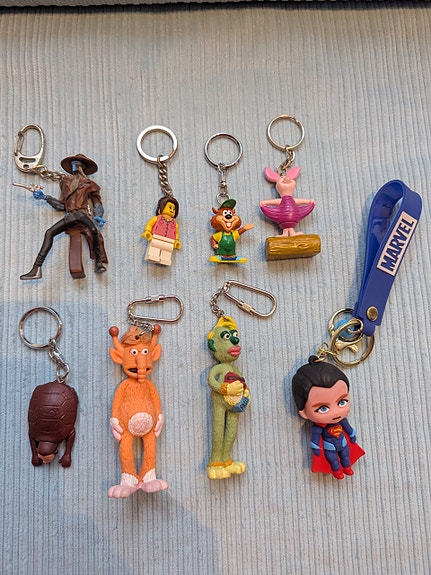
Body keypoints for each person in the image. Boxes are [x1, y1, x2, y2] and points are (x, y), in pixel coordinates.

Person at [20, 153, 107, 280]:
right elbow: (62, 206)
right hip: (70, 216)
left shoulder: (89, 184)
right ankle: (36, 269)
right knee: (49, 233)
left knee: (94, 231)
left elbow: (97, 203)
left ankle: (98, 263)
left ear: (82, 167)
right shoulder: (65, 183)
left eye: (77, 164)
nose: (74, 166)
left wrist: (98, 215)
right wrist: (45, 197)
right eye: (73, 164)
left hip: (82, 215)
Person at [292, 356, 364, 479]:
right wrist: (316, 448)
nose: (335, 413)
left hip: (343, 443)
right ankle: (337, 471)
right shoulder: (318, 428)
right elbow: (315, 440)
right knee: (334, 461)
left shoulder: (342, 421)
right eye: (323, 408)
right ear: (304, 412)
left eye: (342, 402)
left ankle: (347, 467)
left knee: (345, 456)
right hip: (329, 447)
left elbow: (349, 429)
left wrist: (352, 435)